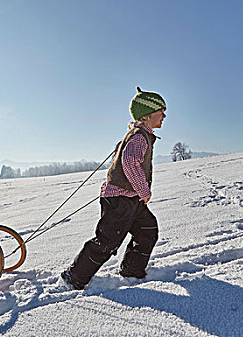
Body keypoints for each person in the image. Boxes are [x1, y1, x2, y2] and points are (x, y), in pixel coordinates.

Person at [62, 86, 167, 290]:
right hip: (120, 201)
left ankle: (132, 271)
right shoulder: (139, 137)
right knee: (107, 241)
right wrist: (144, 190)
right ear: (147, 115)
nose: (164, 115)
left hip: (131, 200)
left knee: (147, 230)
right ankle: (74, 277)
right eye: (161, 111)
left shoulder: (139, 135)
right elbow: (129, 162)